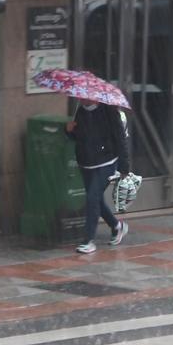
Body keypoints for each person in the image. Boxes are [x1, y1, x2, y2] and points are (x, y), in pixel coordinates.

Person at [66, 98, 130, 254]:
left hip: (107, 162)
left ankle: (88, 240)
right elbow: (79, 137)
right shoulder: (80, 111)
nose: (81, 99)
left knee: (92, 197)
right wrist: (69, 131)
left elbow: (120, 139)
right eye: (80, 97)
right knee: (96, 199)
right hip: (86, 163)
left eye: (85, 97)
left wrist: (124, 166)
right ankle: (117, 226)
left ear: (94, 96)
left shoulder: (109, 111)